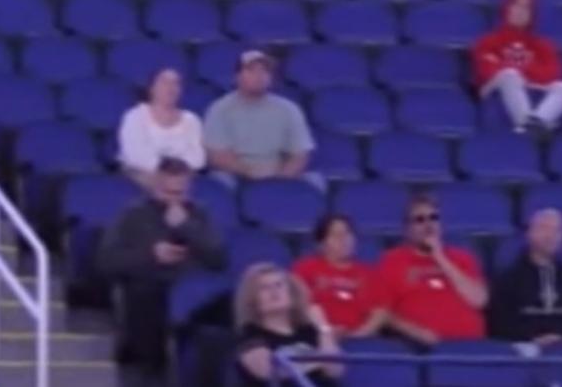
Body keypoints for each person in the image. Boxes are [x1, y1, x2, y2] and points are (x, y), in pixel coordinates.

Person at [97, 157, 226, 381]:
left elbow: (219, 259)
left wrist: (186, 227)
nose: (174, 201)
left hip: (191, 292)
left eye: (180, 193)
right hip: (150, 289)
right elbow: (107, 261)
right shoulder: (133, 215)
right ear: (154, 186)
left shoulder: (198, 215)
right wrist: (151, 255)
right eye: (167, 193)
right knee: (144, 293)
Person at [377, 193, 488, 345]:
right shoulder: (392, 260)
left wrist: (440, 258)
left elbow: (479, 300)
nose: (428, 225)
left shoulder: (462, 257)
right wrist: (415, 332)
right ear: (407, 229)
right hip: (420, 346)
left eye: (433, 218)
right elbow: (383, 312)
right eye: (419, 220)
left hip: (469, 345)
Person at [488, 209, 562, 344]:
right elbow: (497, 323)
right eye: (544, 228)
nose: (550, 236)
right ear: (529, 233)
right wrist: (532, 339)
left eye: (557, 230)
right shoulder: (508, 278)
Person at [203, 50, 315, 187]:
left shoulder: (288, 109)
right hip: (238, 175)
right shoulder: (220, 109)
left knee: (314, 181)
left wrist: (282, 178)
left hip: (278, 172)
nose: (259, 76)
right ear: (237, 76)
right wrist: (252, 173)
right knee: (221, 180)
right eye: (252, 70)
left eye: (264, 71)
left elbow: (300, 154)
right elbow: (217, 156)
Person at [472, 0, 562, 134]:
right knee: (509, 74)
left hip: (530, 83)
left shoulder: (543, 45)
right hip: (493, 87)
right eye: (516, 6)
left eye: (526, 8)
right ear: (507, 9)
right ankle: (530, 125)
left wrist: (518, 69)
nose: (521, 11)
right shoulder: (488, 41)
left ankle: (535, 123)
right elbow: (487, 71)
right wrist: (526, 70)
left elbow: (553, 74)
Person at [234, 262, 343, 387]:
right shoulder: (250, 335)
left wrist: (323, 327)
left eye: (279, 285)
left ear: (291, 293)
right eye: (264, 288)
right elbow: (269, 372)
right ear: (252, 299)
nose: (273, 291)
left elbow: (335, 370)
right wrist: (319, 361)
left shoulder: (308, 330)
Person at [293, 215, 387, 337]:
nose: (344, 239)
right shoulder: (304, 269)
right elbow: (299, 305)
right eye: (336, 235)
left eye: (347, 233)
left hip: (358, 340)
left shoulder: (369, 274)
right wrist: (325, 330)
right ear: (320, 244)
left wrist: (358, 335)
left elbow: (381, 312)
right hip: (316, 336)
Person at [117, 68, 206, 189]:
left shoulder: (192, 120)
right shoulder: (135, 117)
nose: (171, 88)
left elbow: (197, 157)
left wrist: (177, 170)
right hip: (143, 174)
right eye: (164, 82)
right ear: (151, 88)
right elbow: (135, 155)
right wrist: (166, 171)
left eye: (176, 83)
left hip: (183, 175)